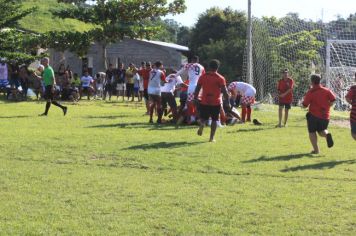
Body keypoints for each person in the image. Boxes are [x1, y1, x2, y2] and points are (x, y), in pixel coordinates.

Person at [194, 59, 229, 142]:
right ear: (217, 68)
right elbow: (224, 91)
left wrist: (195, 98)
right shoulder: (220, 78)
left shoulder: (203, 76)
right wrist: (227, 100)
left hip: (204, 101)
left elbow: (197, 88)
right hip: (215, 102)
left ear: (209, 67)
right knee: (214, 119)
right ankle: (211, 138)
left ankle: (202, 124)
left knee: (203, 117)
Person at [302, 74, 336, 154]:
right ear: (319, 81)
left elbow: (305, 105)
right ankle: (327, 134)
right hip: (325, 116)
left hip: (314, 115)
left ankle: (316, 150)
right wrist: (329, 105)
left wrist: (302, 105)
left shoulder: (311, 91)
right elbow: (334, 100)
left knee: (312, 132)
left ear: (312, 81)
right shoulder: (327, 90)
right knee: (322, 131)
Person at [176, 56, 205, 124]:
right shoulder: (202, 67)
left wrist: (175, 75)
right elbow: (203, 77)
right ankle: (198, 119)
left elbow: (180, 72)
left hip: (191, 86)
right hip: (199, 87)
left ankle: (191, 119)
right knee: (198, 103)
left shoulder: (189, 65)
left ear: (192, 60)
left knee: (189, 103)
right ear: (197, 61)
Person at [345, 73, 356, 140]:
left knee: (354, 134)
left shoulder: (354, 88)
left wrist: (352, 103)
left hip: (354, 115)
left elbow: (347, 98)